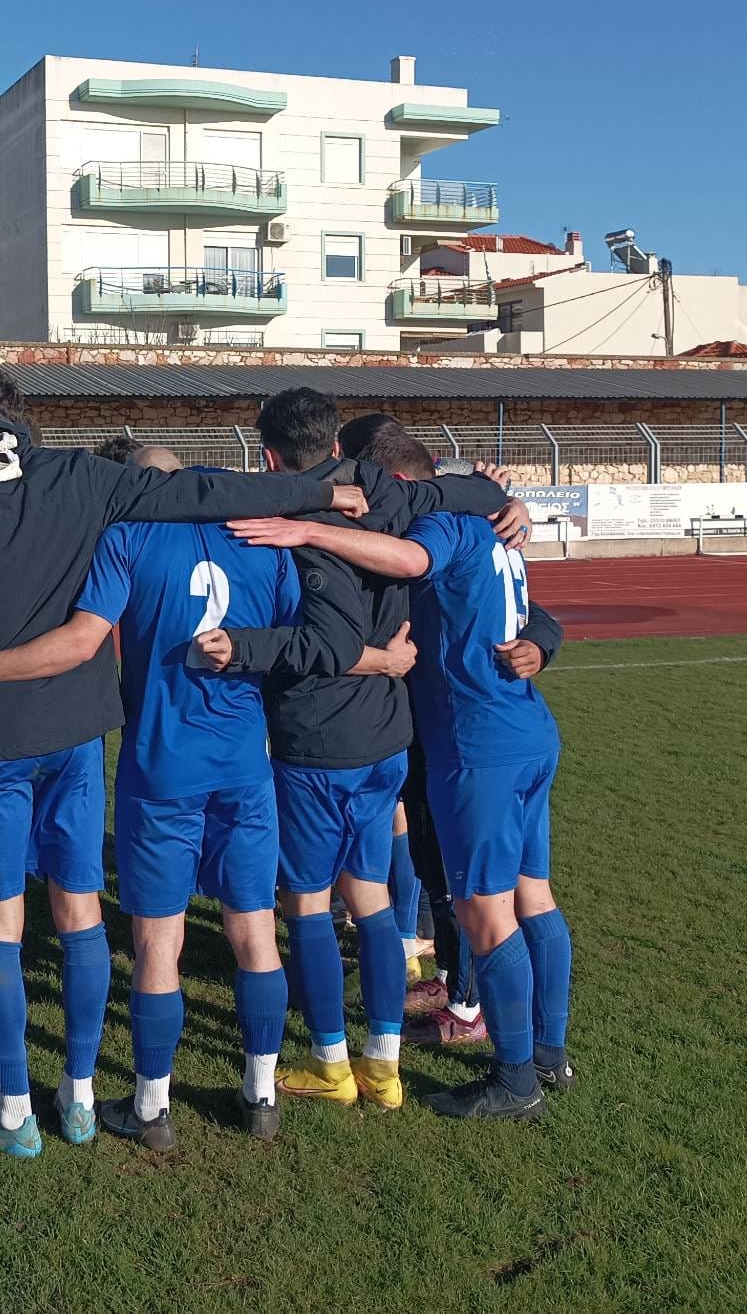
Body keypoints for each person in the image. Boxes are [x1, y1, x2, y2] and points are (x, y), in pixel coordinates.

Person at [0, 363, 380, 1161]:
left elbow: (85, 635)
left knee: (134, 940)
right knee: (246, 929)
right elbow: (309, 634)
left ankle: (125, 1103)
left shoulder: (120, 533)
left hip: (149, 765)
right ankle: (244, 1090)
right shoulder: (256, 539)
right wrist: (320, 506)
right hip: (240, 763)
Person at [233, 421, 572, 1122]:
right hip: (527, 728)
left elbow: (410, 561)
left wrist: (313, 532)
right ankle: (547, 1052)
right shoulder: (490, 518)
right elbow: (526, 607)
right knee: (533, 893)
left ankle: (515, 1078)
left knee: (485, 908)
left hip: (478, 742)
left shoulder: (447, 521)